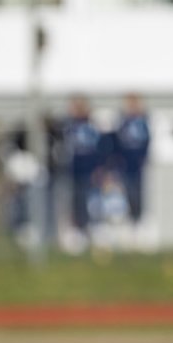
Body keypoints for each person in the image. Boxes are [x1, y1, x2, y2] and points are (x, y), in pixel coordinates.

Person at [64, 95, 102, 252]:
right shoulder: (68, 126)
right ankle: (77, 232)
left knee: (91, 202)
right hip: (72, 172)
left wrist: (98, 168)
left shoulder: (92, 127)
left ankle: (91, 231)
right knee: (75, 202)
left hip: (89, 172)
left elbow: (99, 149)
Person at [113, 93, 151, 231]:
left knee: (138, 192)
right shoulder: (122, 122)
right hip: (125, 164)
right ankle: (130, 220)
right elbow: (117, 142)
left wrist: (143, 158)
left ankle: (139, 220)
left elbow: (147, 141)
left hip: (138, 164)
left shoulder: (143, 121)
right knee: (127, 191)